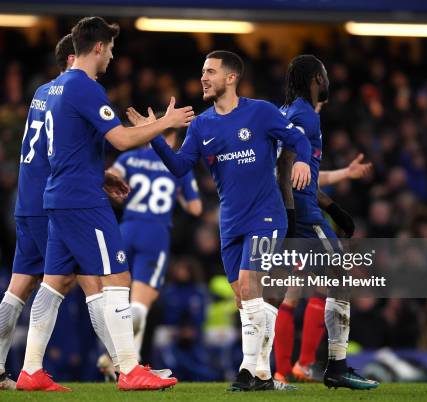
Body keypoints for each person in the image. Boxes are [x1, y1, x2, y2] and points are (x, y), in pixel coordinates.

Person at [15, 16, 194, 392]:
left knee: (54, 283)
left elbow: (70, 147)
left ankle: (30, 369)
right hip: (83, 202)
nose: (112, 56)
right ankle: (129, 369)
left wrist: (101, 173)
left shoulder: (56, 87)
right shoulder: (85, 86)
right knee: (118, 277)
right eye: (110, 49)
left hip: (60, 196)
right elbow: (122, 140)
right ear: (98, 47)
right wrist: (166, 122)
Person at [129, 50, 310, 391]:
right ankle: (263, 376)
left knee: (248, 284)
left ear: (231, 77)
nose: (203, 77)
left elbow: (297, 138)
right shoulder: (201, 125)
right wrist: (154, 134)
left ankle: (245, 371)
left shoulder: (261, 112)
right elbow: (180, 166)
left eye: (210, 71)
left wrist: (301, 161)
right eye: (202, 72)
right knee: (246, 302)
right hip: (230, 222)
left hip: (266, 215)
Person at [0, 34, 130, 391]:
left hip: (27, 201)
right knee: (92, 283)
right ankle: (126, 365)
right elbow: (65, 150)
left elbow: (47, 148)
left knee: (19, 288)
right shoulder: (72, 91)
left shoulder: (42, 94)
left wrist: (99, 174)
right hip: (55, 202)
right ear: (72, 60)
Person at [279, 54, 378, 390]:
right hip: (306, 219)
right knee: (339, 283)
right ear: (314, 79)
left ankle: (280, 369)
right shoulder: (305, 116)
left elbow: (301, 174)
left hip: (304, 214)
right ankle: (335, 366)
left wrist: (333, 208)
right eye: (323, 74)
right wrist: (294, 220)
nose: (326, 80)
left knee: (291, 293)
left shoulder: (289, 113)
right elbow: (286, 168)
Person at [106, 123, 202, 369]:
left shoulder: (129, 157)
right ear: (174, 138)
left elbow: (109, 176)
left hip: (124, 229)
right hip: (155, 232)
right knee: (140, 304)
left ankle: (116, 356)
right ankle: (129, 363)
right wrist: (179, 194)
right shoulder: (177, 166)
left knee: (115, 297)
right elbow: (196, 208)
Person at [273, 154, 372, 384]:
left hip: (286, 217)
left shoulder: (285, 131)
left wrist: (345, 173)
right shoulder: (297, 126)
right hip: (296, 220)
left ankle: (284, 371)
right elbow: (296, 180)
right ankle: (302, 364)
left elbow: (310, 180)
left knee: (295, 291)